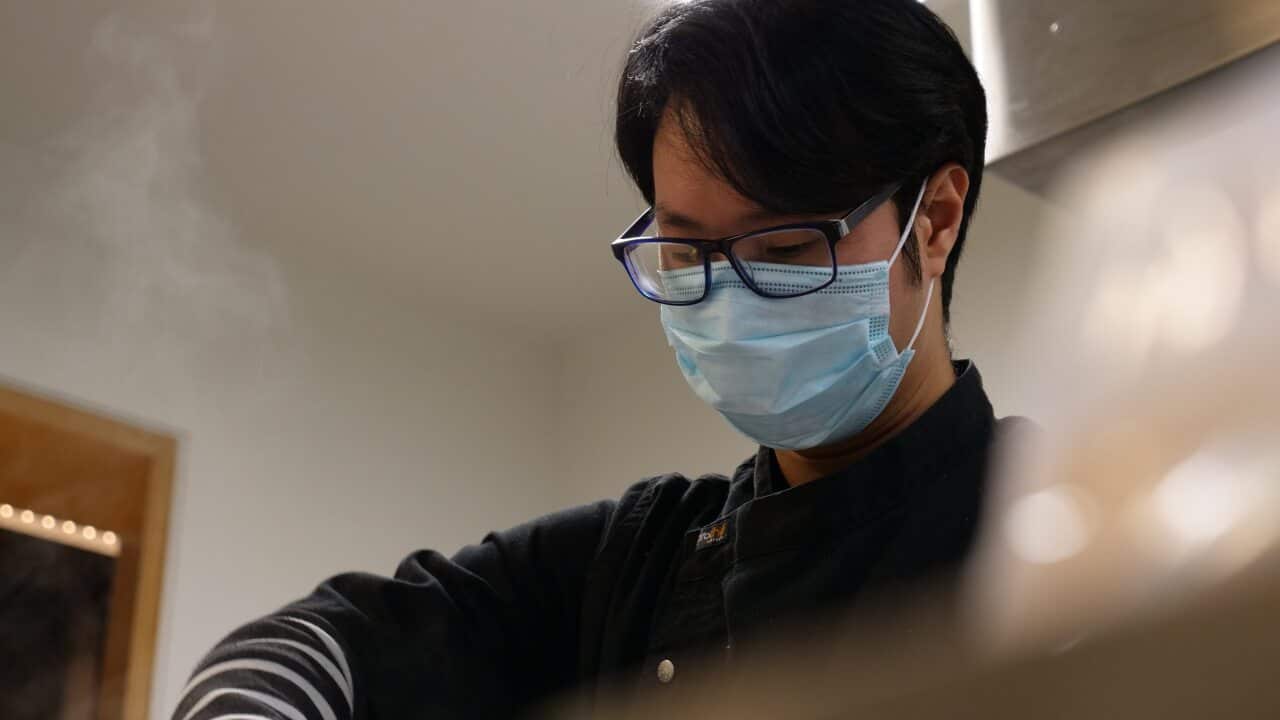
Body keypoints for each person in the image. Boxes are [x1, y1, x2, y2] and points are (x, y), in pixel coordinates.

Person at [173, 1, 1005, 717]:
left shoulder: (1054, 524)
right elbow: (321, 644)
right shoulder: (637, 565)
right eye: (686, 255)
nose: (729, 297)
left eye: (784, 246)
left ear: (932, 220)